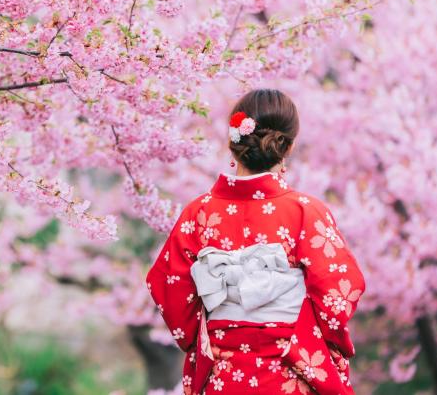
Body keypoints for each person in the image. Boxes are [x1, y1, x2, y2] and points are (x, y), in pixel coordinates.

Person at [146, 89, 366, 395]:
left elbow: (168, 286)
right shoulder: (305, 212)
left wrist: (213, 338)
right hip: (289, 375)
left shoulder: (198, 213)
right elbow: (339, 290)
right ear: (287, 146)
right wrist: (303, 341)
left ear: (234, 144)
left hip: (224, 377)